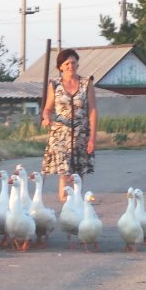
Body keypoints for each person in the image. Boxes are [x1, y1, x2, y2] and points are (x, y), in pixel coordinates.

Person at [40, 48, 98, 201]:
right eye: (67, 63)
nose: (70, 66)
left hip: (81, 132)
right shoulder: (55, 85)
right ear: (60, 67)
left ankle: (77, 201)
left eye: (73, 62)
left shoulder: (87, 83)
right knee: (64, 171)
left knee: (78, 171)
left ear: (77, 64)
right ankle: (66, 201)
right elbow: (47, 108)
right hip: (60, 133)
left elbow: (92, 110)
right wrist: (46, 118)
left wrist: (92, 138)